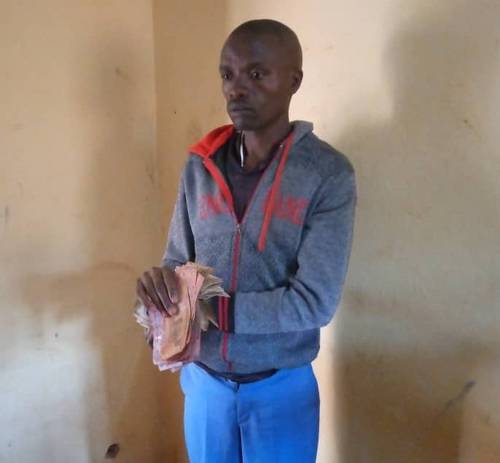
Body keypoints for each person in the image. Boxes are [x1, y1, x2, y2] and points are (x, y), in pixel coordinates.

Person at [137, 19, 356, 463]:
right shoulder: (199, 167)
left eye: (256, 74)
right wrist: (160, 298)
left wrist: (212, 311)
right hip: (205, 385)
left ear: (293, 80)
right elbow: (178, 262)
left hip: (281, 388)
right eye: (227, 74)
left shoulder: (327, 174)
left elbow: (314, 302)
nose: (236, 88)